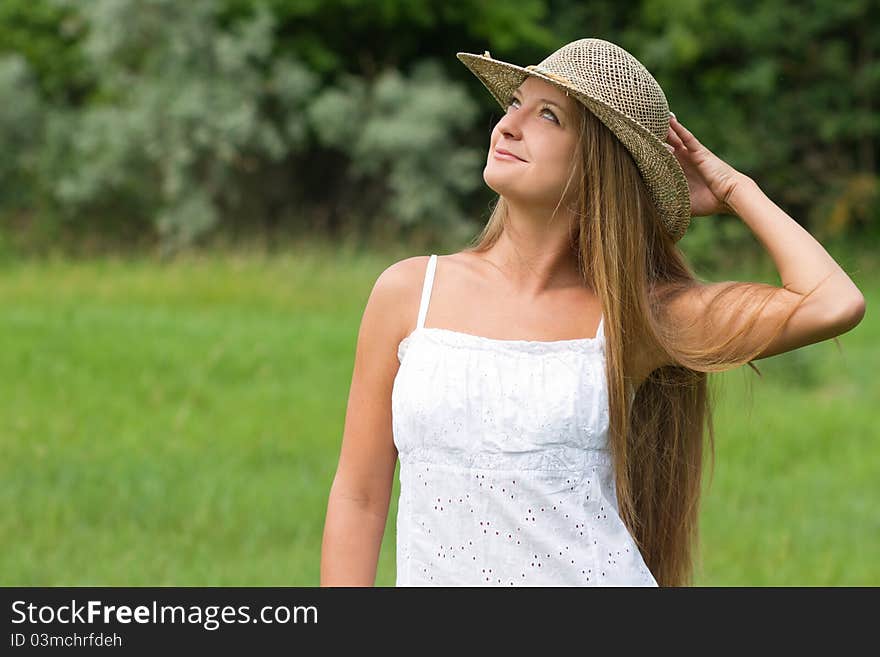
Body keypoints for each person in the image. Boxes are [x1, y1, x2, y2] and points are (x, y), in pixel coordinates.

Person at [320, 38, 865, 587]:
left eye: (548, 116)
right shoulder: (411, 292)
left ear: (599, 166)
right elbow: (358, 497)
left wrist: (734, 187)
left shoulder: (637, 318)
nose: (508, 126)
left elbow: (833, 302)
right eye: (514, 105)